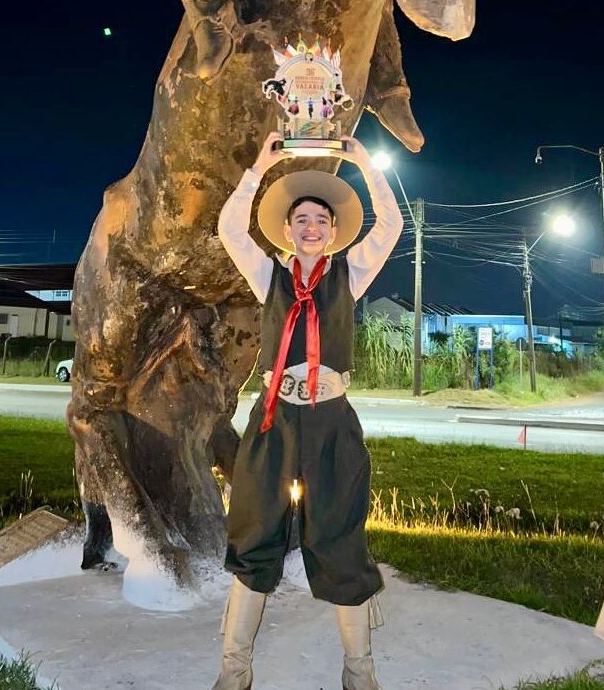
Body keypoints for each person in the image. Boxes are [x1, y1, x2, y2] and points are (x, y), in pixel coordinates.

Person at [213, 132, 403, 690]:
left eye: (321, 219)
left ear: (335, 230)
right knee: (253, 535)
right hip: (273, 421)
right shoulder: (269, 275)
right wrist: (258, 167)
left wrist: (364, 162)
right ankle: (234, 671)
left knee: (338, 536)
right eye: (301, 220)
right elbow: (229, 230)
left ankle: (358, 670)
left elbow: (389, 224)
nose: (312, 226)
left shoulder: (352, 273)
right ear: (288, 230)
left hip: (330, 421)